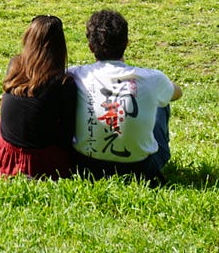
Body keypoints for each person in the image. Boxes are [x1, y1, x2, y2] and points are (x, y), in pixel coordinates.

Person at [69, 10, 182, 183]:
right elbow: (177, 93)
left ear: (91, 47)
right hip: (140, 170)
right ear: (127, 43)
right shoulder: (152, 78)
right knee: (161, 100)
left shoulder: (76, 75)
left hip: (88, 168)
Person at [0, 15, 76, 179]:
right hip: (40, 165)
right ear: (60, 46)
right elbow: (66, 135)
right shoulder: (62, 82)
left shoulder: (15, 66)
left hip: (2, 159)